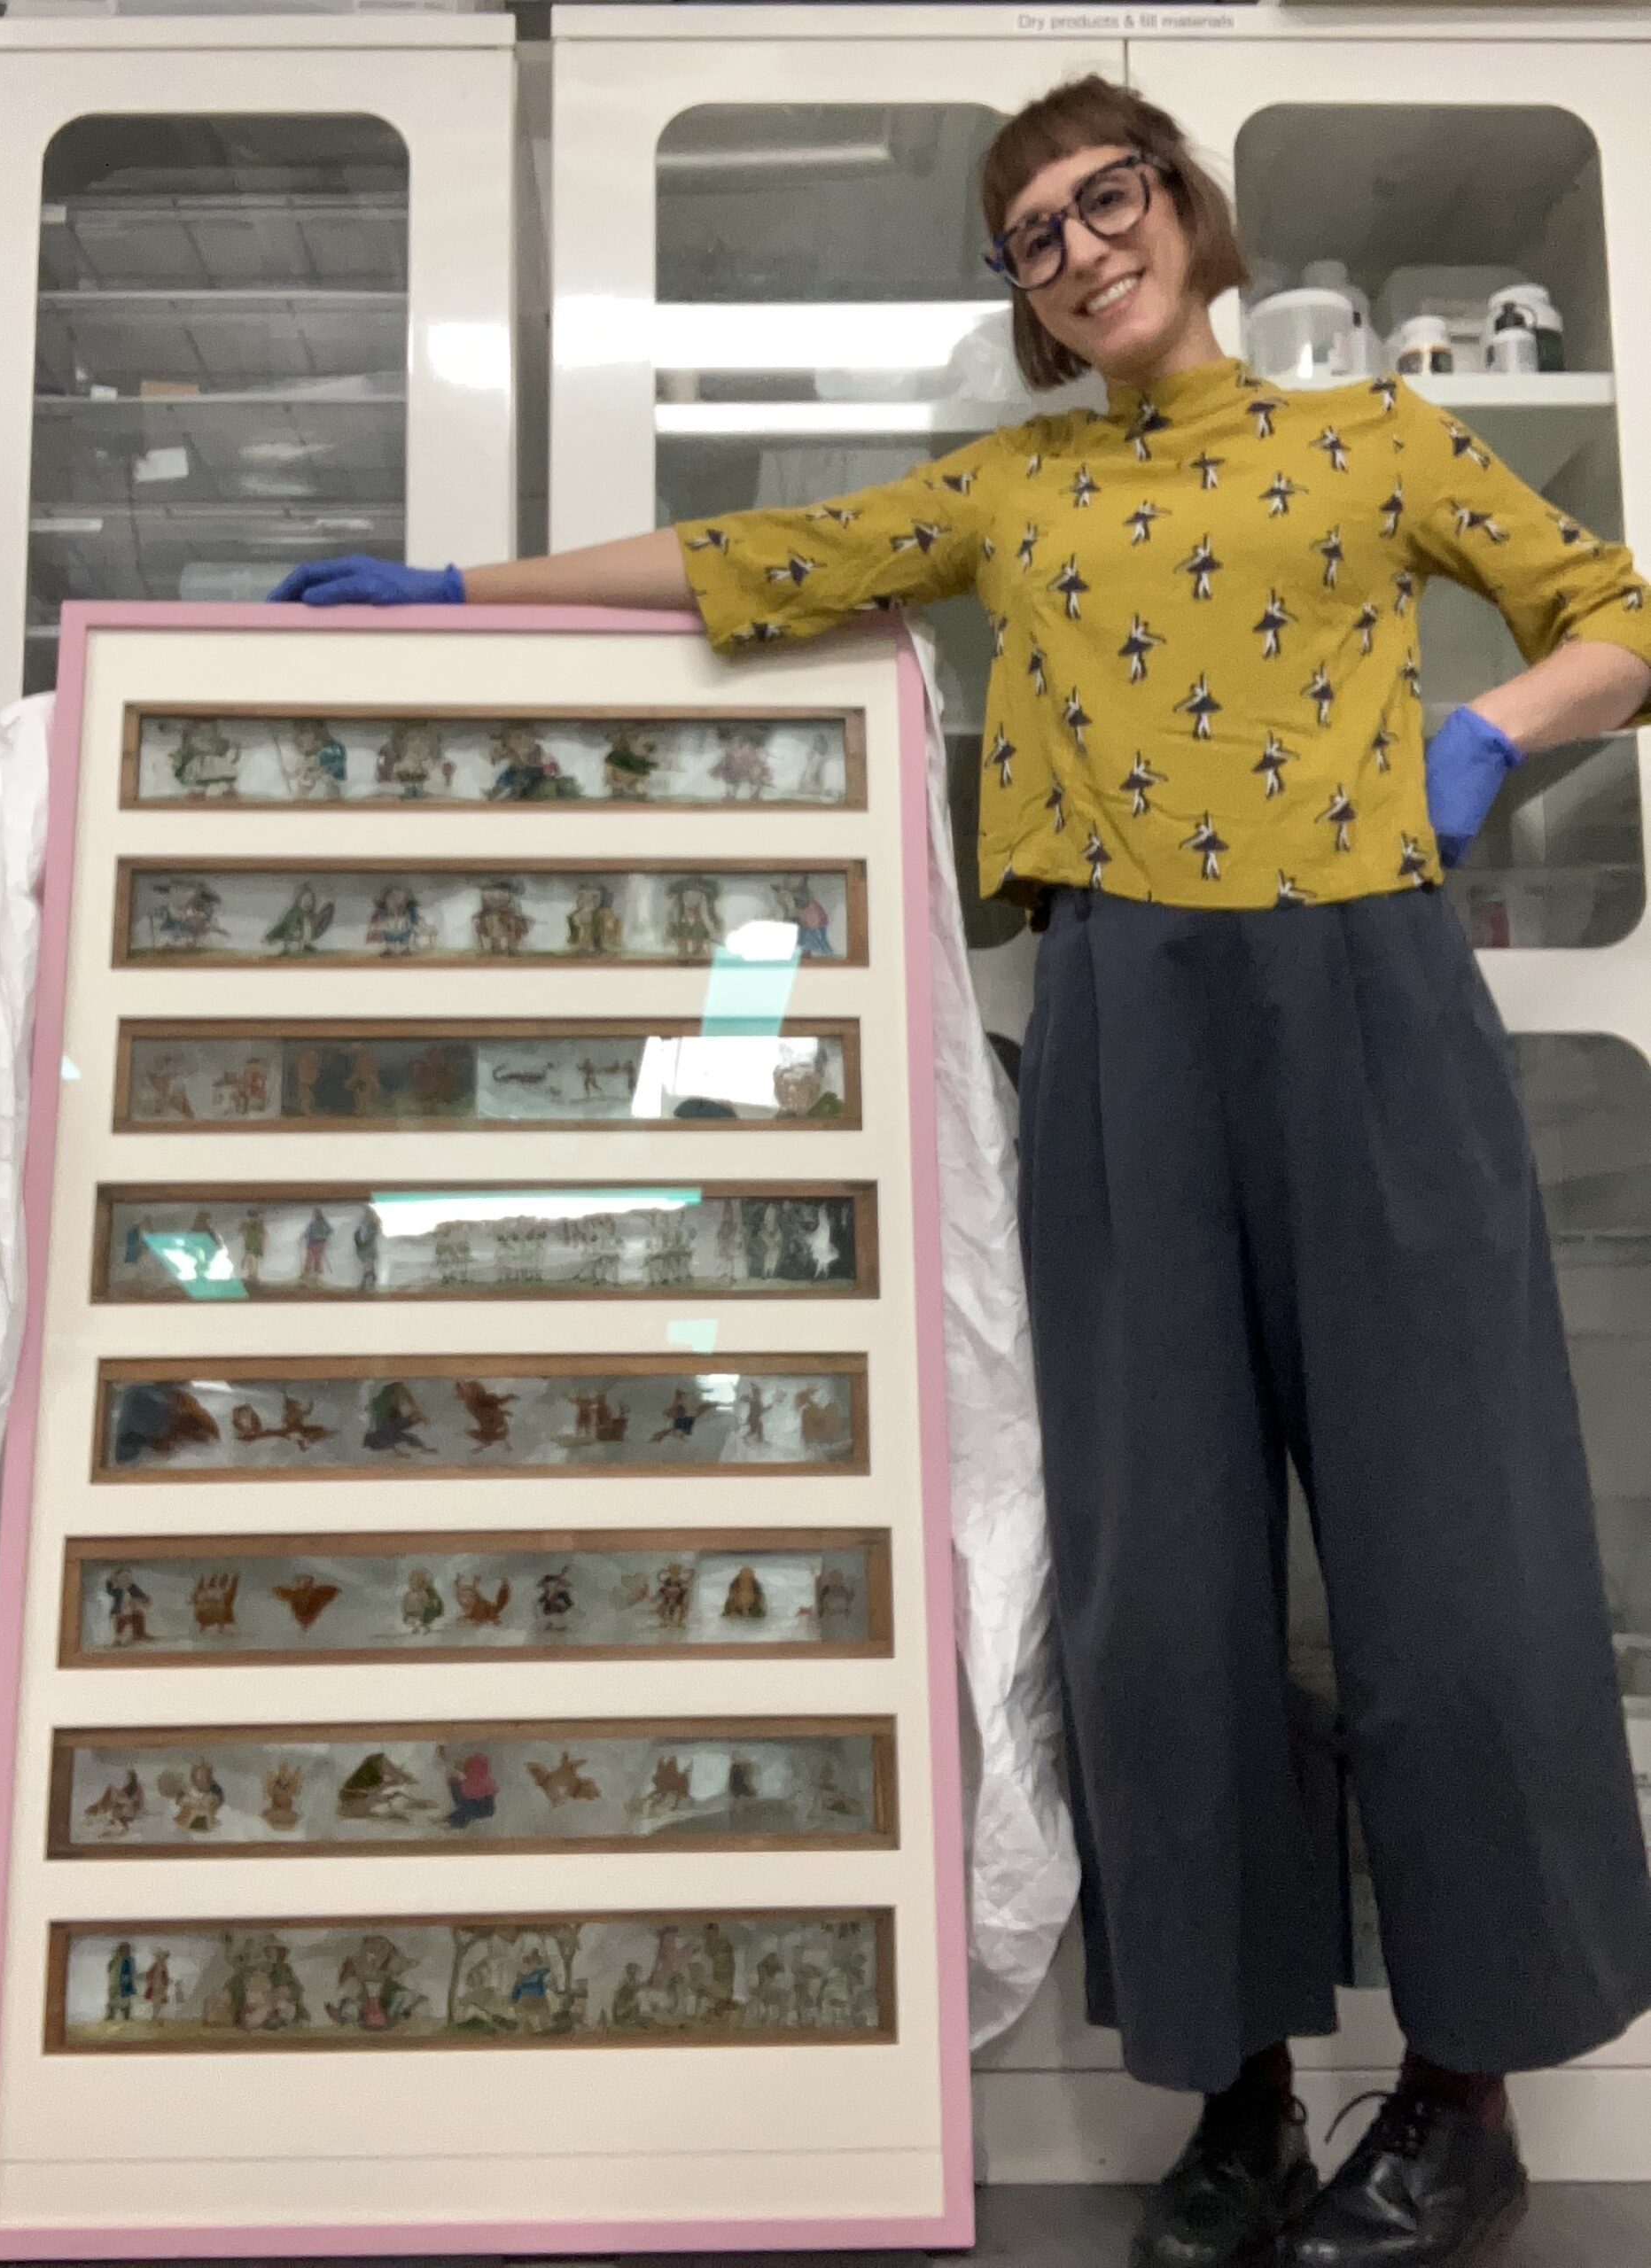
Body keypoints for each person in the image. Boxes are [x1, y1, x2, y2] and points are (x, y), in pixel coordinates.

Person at [270, 75, 1651, 2268]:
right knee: (1157, 1581)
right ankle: (1232, 2093)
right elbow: (747, 571)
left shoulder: (1377, 437)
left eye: (1109, 199)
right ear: (1018, 291)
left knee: (1452, 1555)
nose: (1082, 243)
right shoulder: (1007, 494)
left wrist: (1504, 722)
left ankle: (1466, 2094)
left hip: (1377, 1006)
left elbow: (1623, 609)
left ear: (1184, 214)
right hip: (1119, 1030)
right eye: (1033, 231)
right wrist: (455, 585)